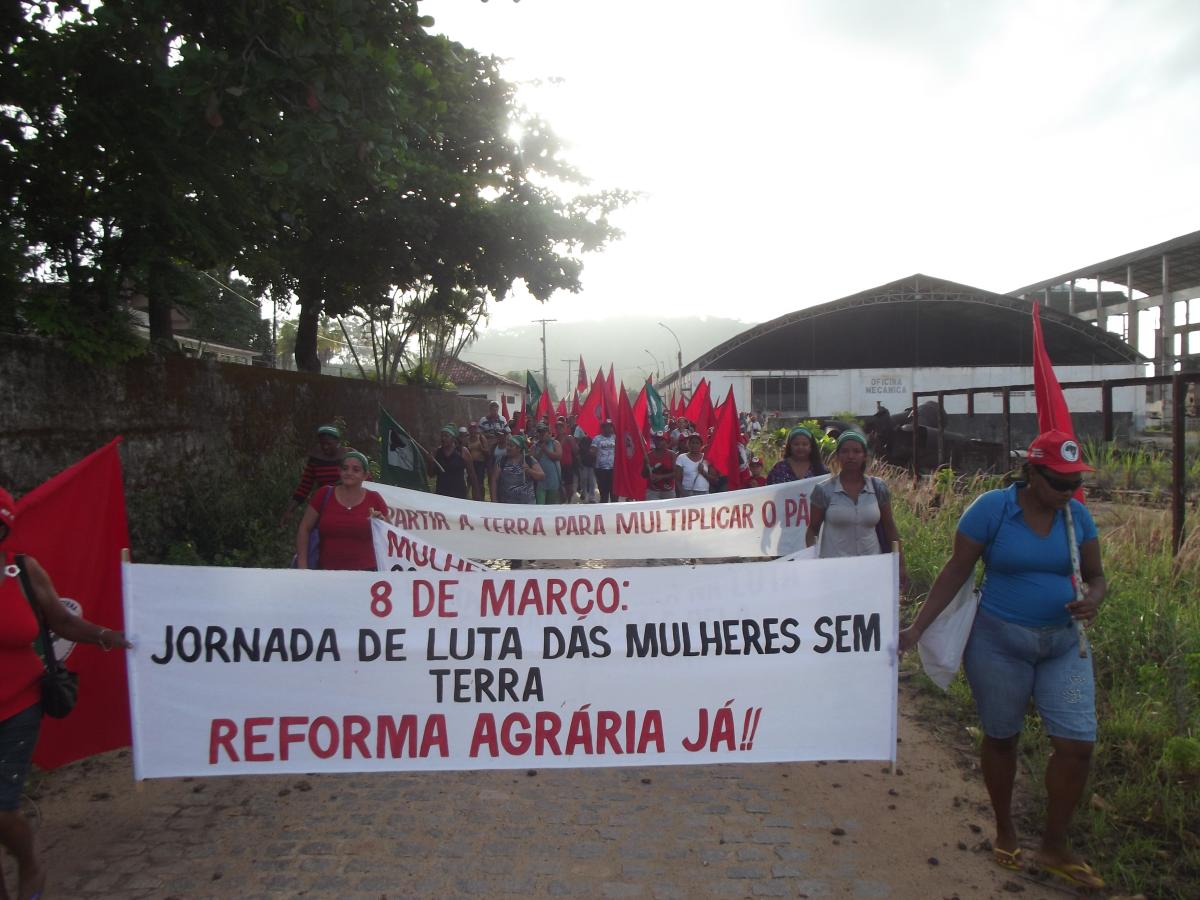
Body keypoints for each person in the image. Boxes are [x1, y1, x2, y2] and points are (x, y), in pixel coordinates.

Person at [898, 431, 1105, 889]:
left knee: (1076, 745)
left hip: (1064, 647)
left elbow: (1096, 577)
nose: (1067, 491)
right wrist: (917, 628)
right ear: (1031, 473)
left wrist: (1093, 599)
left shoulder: (1077, 517)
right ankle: (1005, 829)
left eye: (1074, 482)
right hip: (998, 645)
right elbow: (956, 570)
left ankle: (1054, 846)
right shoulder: (992, 510)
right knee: (1002, 736)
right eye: (1058, 481)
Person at [0, 487, 130, 900]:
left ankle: (29, 863)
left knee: (1, 810)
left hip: (17, 706)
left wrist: (112, 636)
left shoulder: (22, 571)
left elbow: (62, 621)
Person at [806, 431, 907, 585]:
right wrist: (812, 563)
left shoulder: (878, 487)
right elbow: (812, 529)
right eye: (845, 451)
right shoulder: (824, 490)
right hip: (834, 570)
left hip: (872, 567)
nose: (851, 456)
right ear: (837, 456)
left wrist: (900, 564)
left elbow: (889, 526)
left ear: (864, 456)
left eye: (856, 451)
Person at [295, 452, 387, 570]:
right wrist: (302, 566)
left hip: (366, 574)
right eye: (345, 468)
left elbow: (389, 535)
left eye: (356, 470)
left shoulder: (374, 498)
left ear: (365, 475)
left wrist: (380, 522)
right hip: (326, 573)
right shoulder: (324, 494)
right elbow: (304, 528)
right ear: (339, 471)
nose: (349, 472)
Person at [279, 424, 346, 527]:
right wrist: (289, 511)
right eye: (322, 444)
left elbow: (364, 480)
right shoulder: (315, 459)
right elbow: (304, 486)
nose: (325, 447)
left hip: (346, 504)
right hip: (324, 505)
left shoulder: (348, 457)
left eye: (329, 444)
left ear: (337, 442)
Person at [491, 435, 544, 506]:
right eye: (507, 445)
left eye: (511, 446)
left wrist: (529, 471)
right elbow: (494, 480)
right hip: (506, 504)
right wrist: (494, 500)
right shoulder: (502, 460)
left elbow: (541, 476)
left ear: (519, 448)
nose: (508, 448)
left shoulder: (529, 460)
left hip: (527, 504)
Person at [425, 427, 476, 499]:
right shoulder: (437, 452)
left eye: (446, 436)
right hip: (441, 493)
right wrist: (430, 463)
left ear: (453, 438)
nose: (443, 438)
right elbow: (431, 474)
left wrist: (477, 494)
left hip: (458, 494)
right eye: (442, 436)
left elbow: (472, 474)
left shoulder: (462, 451)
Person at [674, 432, 714, 496]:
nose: (694, 445)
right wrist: (682, 494)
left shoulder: (706, 458)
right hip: (687, 492)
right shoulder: (681, 457)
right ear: (688, 444)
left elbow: (714, 480)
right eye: (692, 443)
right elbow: (677, 480)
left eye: (697, 443)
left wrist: (703, 472)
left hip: (704, 493)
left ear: (701, 445)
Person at [531, 422, 562, 504]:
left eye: (543, 432)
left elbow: (558, 456)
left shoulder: (555, 443)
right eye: (539, 432)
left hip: (553, 482)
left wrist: (546, 450)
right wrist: (541, 450)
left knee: (551, 507)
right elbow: (532, 461)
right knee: (540, 506)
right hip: (540, 483)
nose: (541, 434)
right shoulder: (534, 446)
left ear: (548, 433)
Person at [645, 431, 677, 500]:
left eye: (661, 440)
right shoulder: (648, 455)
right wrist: (645, 465)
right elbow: (644, 475)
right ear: (654, 441)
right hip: (652, 491)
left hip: (668, 490)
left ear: (666, 441)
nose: (658, 442)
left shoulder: (672, 455)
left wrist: (661, 477)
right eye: (657, 439)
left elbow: (676, 473)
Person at [592, 420, 617, 503]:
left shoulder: (615, 438)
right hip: (601, 470)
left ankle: (615, 509)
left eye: (610, 426)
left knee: (614, 494)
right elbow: (592, 449)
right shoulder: (597, 438)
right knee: (604, 494)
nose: (608, 428)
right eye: (606, 426)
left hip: (613, 470)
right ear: (603, 428)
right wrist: (592, 451)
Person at [465, 422, 489, 501]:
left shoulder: (481, 438)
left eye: (474, 428)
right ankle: (468, 498)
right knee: (469, 482)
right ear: (469, 429)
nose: (472, 430)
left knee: (480, 483)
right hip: (471, 464)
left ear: (476, 429)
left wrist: (481, 449)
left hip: (480, 463)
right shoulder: (467, 439)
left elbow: (487, 452)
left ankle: (481, 499)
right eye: (471, 428)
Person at [556, 418, 578, 503]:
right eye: (557, 427)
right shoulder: (555, 439)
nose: (559, 429)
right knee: (559, 485)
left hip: (568, 465)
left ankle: (569, 501)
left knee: (569, 485)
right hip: (558, 465)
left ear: (564, 428)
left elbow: (576, 450)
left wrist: (572, 442)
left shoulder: (569, 437)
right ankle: (562, 500)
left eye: (561, 427)